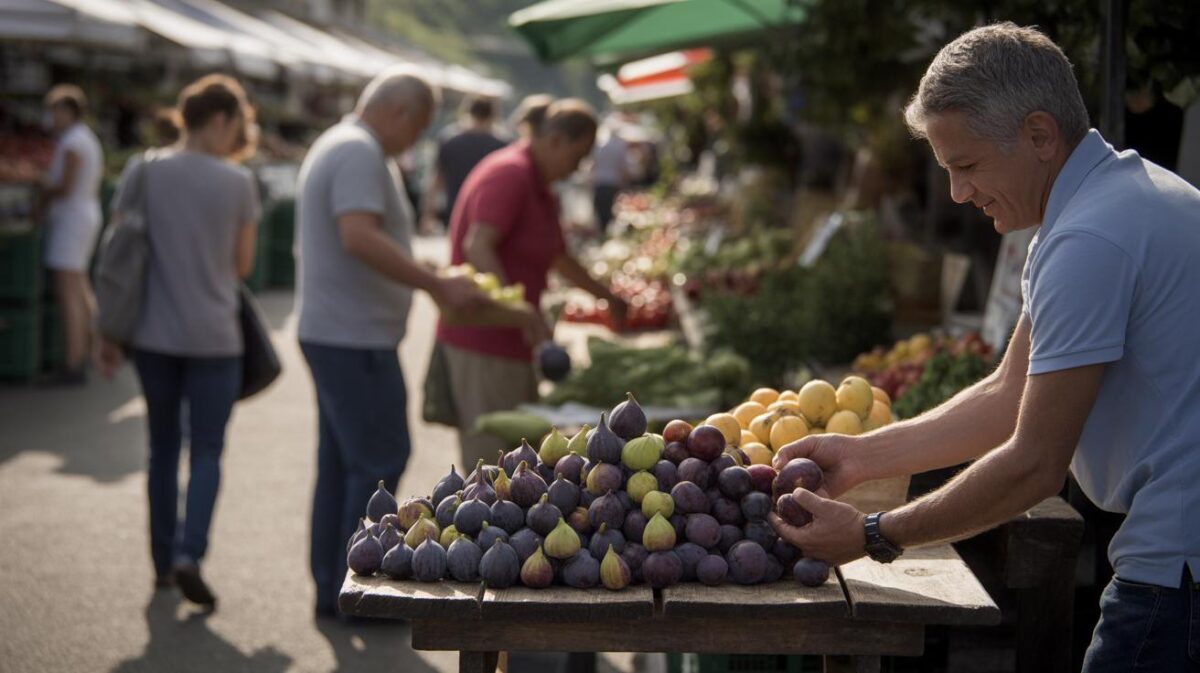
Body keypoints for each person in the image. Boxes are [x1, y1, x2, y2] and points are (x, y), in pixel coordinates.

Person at [769, 23, 1200, 672]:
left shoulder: (1091, 238)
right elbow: (1007, 395)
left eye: (966, 166)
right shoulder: (1102, 205)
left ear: (1039, 135)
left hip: (1181, 572)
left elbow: (1034, 466)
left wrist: (873, 534)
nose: (956, 193)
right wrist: (859, 456)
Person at [294, 68, 484, 618]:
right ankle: (359, 591)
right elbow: (358, 235)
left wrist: (424, 273)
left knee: (343, 465)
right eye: (419, 127)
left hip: (340, 332)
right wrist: (433, 283)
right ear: (399, 111)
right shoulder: (359, 151)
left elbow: (363, 236)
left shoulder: (343, 143)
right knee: (379, 460)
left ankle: (334, 587)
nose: (416, 139)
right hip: (353, 337)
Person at [98, 74, 260, 608]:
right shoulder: (238, 183)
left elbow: (118, 250)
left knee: (162, 448)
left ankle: (162, 563)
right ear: (220, 119)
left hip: (153, 335)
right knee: (207, 449)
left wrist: (108, 330)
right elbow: (242, 265)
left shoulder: (144, 170)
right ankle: (192, 552)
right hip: (216, 337)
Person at [436, 99, 628, 470]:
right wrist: (518, 311)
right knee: (490, 467)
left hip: (515, 342)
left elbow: (558, 256)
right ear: (555, 140)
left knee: (517, 463)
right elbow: (478, 245)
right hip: (486, 343)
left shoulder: (538, 184)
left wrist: (608, 298)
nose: (578, 167)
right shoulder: (510, 174)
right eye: (578, 156)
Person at [40, 85, 103, 384]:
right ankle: (90, 351)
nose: (51, 117)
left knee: (69, 292)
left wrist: (42, 187)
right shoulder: (83, 138)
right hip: (83, 217)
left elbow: (64, 186)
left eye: (55, 110)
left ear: (68, 111)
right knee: (79, 286)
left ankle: (73, 361)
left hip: (73, 220)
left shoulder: (74, 142)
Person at [420, 96, 506, 233]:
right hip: (492, 217)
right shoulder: (503, 145)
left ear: (467, 112)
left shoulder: (449, 141)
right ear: (493, 115)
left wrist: (428, 215)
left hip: (455, 212)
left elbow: (436, 181)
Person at [590, 119, 629, 236]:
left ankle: (603, 234)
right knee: (611, 211)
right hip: (613, 183)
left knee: (601, 212)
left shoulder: (600, 145)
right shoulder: (620, 146)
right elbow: (624, 166)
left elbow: (593, 164)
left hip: (600, 183)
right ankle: (607, 235)